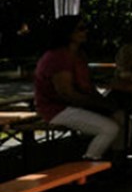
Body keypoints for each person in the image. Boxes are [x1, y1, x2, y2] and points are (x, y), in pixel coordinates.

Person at [33, 15, 125, 160]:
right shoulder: (58, 57)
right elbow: (67, 94)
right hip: (57, 110)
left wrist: (102, 103)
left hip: (75, 106)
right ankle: (89, 161)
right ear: (67, 32)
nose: (85, 32)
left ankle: (117, 159)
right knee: (109, 128)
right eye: (81, 29)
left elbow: (86, 86)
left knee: (119, 115)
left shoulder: (78, 55)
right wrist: (98, 104)